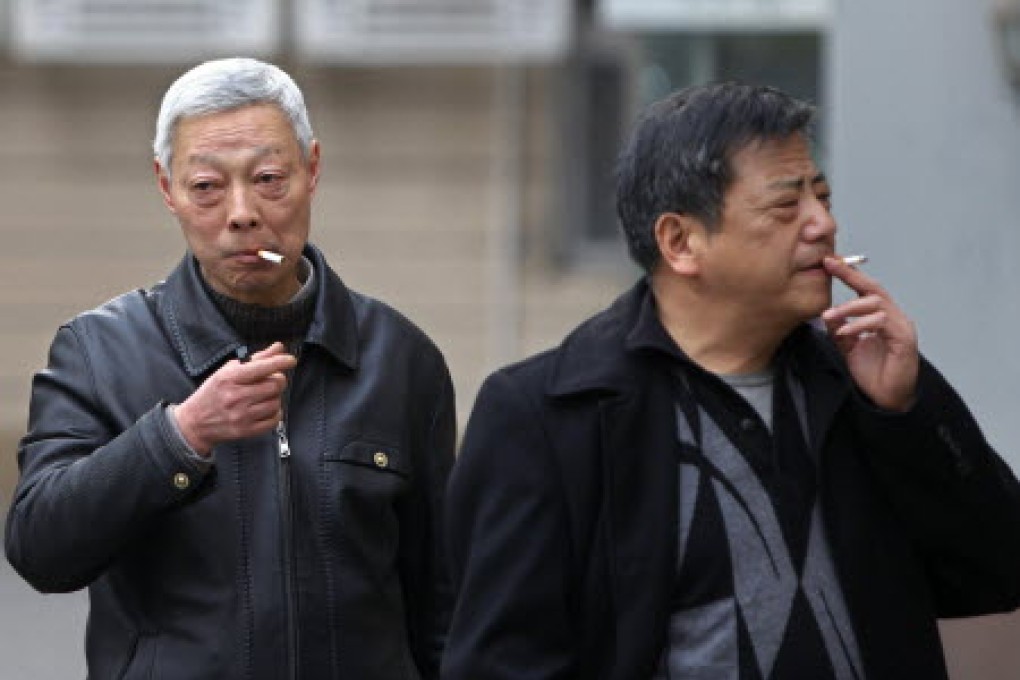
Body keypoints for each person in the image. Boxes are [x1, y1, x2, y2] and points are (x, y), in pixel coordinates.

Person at [442, 82, 1020, 679]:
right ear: (680, 241)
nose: (823, 224)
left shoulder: (857, 384)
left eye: (822, 197)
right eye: (785, 205)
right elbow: (501, 663)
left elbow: (995, 574)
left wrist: (906, 412)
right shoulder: (549, 416)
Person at [5, 58, 455, 679]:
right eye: (207, 188)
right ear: (167, 188)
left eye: (269, 178)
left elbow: (442, 602)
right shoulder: (98, 351)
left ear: (312, 169)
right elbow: (39, 549)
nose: (242, 213)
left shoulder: (400, 358)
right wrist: (180, 436)